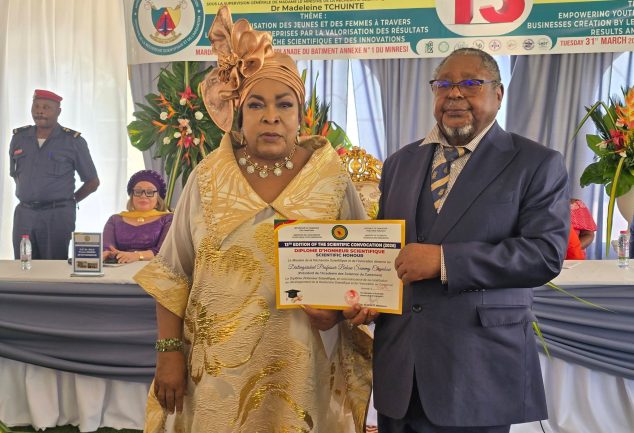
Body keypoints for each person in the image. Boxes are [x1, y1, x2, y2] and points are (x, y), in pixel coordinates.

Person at [133, 6, 374, 433]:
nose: (271, 116)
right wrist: (168, 351)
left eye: (284, 104)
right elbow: (172, 273)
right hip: (217, 373)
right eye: (256, 105)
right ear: (239, 114)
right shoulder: (209, 177)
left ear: (300, 115)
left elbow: (361, 271)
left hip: (304, 368)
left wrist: (338, 313)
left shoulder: (330, 178)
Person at [373, 48, 570, 433]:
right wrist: (367, 298)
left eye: (470, 83)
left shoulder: (536, 163)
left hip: (477, 373)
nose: (454, 93)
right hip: (400, 370)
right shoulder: (399, 163)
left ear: (498, 94)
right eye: (443, 84)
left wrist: (444, 261)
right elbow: (386, 250)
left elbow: (544, 255)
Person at [9, 89, 99, 260]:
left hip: (57, 215)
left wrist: (70, 201)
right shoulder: (19, 138)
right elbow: (15, 175)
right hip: (24, 215)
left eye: (46, 107)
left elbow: (92, 182)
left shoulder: (73, 141)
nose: (39, 111)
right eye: (36, 106)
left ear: (58, 111)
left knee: (54, 267)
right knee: (23, 266)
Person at [102, 170, 173, 264]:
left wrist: (137, 255)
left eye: (150, 192)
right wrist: (108, 254)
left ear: (158, 198)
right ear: (132, 196)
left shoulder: (168, 219)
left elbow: (165, 251)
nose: (143, 196)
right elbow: (107, 248)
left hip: (153, 269)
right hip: (119, 267)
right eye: (138, 191)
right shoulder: (115, 219)